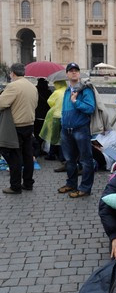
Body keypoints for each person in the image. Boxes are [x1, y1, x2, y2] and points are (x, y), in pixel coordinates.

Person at [58, 62, 96, 198]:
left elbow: (90, 108)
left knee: (86, 160)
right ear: (67, 74)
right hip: (66, 130)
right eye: (71, 70)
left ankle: (85, 188)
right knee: (69, 160)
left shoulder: (85, 89)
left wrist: (76, 101)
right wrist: (63, 122)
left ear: (79, 73)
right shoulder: (67, 90)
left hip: (80, 129)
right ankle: (71, 184)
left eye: (76, 70)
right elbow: (65, 110)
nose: (74, 72)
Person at [0, 63, 38, 194]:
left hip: (16, 126)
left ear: (12, 73)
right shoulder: (32, 86)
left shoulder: (13, 86)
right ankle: (28, 183)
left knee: (14, 156)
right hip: (29, 124)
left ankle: (15, 186)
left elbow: (2, 103)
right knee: (28, 155)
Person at [39, 79, 67, 167]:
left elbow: (49, 102)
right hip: (66, 117)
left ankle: (52, 154)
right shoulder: (68, 91)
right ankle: (63, 156)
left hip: (56, 116)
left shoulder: (57, 92)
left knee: (54, 136)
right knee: (64, 137)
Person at [33, 78, 52, 157]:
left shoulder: (35, 91)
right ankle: (41, 149)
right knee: (44, 133)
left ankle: (37, 150)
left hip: (36, 115)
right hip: (45, 116)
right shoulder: (49, 92)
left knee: (36, 133)